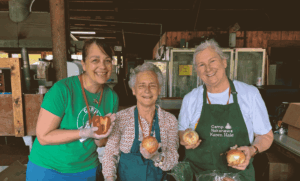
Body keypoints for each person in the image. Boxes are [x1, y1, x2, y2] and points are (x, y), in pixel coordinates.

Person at [178, 39, 274, 180]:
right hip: (199, 175)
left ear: (224, 62)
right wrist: (185, 139)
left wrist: (252, 150)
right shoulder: (190, 99)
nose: (208, 69)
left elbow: (266, 136)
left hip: (237, 175)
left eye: (212, 61)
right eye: (201, 65)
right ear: (197, 71)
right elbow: (182, 131)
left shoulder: (249, 94)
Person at [26, 39, 119, 181]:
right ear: (84, 64)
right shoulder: (63, 90)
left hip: (86, 169)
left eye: (107, 60)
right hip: (48, 168)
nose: (103, 66)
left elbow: (100, 142)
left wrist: (100, 136)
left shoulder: (112, 98)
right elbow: (43, 137)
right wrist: (84, 132)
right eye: (95, 60)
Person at [102, 63, 179, 181]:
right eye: (141, 85)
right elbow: (110, 155)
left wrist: (157, 157)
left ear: (159, 90)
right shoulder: (121, 118)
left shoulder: (170, 120)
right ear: (133, 90)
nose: (147, 91)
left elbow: (173, 159)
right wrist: (109, 178)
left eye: (152, 85)